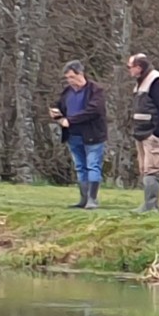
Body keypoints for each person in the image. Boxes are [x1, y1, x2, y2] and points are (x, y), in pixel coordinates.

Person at [50, 60, 108, 209]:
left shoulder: (95, 90)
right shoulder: (67, 91)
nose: (69, 81)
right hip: (73, 135)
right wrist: (56, 114)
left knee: (92, 165)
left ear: (80, 74)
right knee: (80, 166)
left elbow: (94, 110)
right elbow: (58, 104)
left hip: (92, 135)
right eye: (67, 78)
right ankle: (83, 198)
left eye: (71, 77)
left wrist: (71, 120)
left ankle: (92, 199)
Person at [127, 53, 159, 213]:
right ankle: (147, 204)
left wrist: (157, 133)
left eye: (130, 67)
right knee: (144, 168)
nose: (129, 70)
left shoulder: (156, 81)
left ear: (138, 68)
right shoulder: (140, 83)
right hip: (140, 132)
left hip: (151, 133)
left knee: (152, 168)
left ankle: (151, 206)